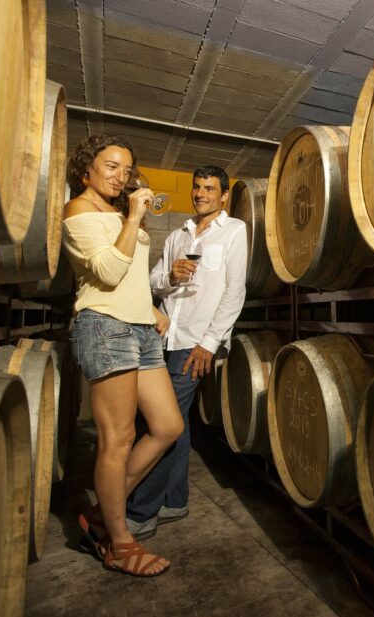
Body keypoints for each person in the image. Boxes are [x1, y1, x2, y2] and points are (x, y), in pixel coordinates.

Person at [62, 134, 184, 577]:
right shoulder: (80, 211)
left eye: (126, 169)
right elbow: (109, 272)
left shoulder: (115, 212)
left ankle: (101, 512)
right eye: (111, 166)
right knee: (118, 440)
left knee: (168, 425)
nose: (121, 176)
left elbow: (130, 275)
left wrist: (150, 308)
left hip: (139, 327)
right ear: (86, 170)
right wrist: (134, 215)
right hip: (105, 326)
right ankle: (118, 542)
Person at [125, 165, 247, 538]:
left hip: (195, 342)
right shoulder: (179, 233)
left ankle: (140, 511)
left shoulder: (234, 232)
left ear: (223, 195)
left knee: (160, 424)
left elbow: (234, 291)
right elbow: (154, 282)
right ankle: (174, 500)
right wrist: (170, 277)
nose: (200, 194)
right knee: (174, 423)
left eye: (209, 188)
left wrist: (209, 344)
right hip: (165, 340)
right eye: (197, 187)